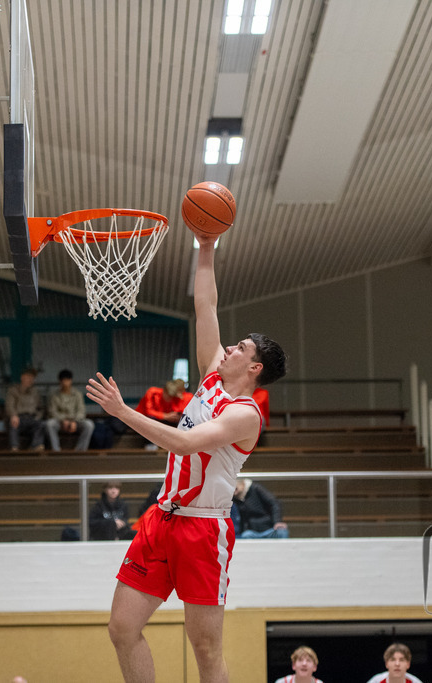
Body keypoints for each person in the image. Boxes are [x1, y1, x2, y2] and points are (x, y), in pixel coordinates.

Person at [85, 233, 288, 683]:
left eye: (241, 349)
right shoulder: (212, 375)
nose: (230, 348)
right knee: (122, 628)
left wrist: (122, 412)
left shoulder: (245, 415)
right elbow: (205, 305)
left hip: (202, 528)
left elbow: (182, 444)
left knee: (205, 648)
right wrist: (207, 243)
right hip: (162, 517)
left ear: (255, 369)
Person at [45, 369, 94, 451]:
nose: (66, 383)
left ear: (71, 380)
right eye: (63, 380)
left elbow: (81, 411)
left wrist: (74, 421)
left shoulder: (77, 394)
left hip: (75, 421)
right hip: (60, 422)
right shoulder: (54, 395)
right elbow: (52, 411)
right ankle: (56, 450)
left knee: (89, 424)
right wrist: (63, 420)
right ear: (60, 381)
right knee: (50, 424)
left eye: (67, 380)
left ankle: (80, 450)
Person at [5, 367, 45, 451]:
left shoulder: (36, 392)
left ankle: (35, 446)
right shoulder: (13, 390)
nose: (30, 380)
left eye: (32, 378)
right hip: (19, 418)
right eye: (28, 377)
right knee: (13, 424)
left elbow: (40, 408)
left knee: (40, 424)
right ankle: (14, 447)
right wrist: (13, 415)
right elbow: (9, 405)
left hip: (32, 418)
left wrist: (38, 416)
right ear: (22, 377)